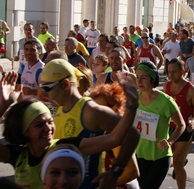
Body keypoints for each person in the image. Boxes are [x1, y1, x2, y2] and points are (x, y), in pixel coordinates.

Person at [0, 71, 139, 189]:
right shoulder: (18, 156)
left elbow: (115, 138)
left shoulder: (64, 145)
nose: (62, 181)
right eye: (39, 125)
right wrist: (4, 104)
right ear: (25, 131)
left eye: (50, 122)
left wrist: (132, 106)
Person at [40, 59, 140, 189]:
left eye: (47, 88)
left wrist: (115, 172)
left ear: (65, 84)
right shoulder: (60, 109)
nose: (44, 94)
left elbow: (132, 134)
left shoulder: (90, 111)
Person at [133, 61, 185, 188]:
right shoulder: (135, 97)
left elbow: (181, 125)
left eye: (143, 78)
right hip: (139, 155)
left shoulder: (166, 101)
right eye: (137, 77)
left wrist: (170, 142)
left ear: (152, 79)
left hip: (159, 157)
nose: (139, 81)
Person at [90, 83, 140, 189]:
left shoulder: (116, 133)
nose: (97, 113)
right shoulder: (104, 130)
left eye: (101, 109)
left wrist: (104, 184)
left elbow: (132, 171)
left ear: (115, 107)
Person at [164, 58, 194, 189]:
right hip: (169, 128)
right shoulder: (166, 86)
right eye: (168, 72)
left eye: (174, 72)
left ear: (183, 71)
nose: (170, 75)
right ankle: (181, 159)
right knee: (170, 160)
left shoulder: (191, 89)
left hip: (185, 130)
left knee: (177, 163)